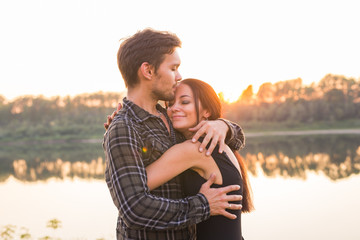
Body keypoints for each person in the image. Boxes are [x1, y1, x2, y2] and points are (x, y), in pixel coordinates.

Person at [103, 28, 245, 239]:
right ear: (148, 71)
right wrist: (203, 205)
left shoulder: (171, 121)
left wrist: (223, 125)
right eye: (173, 68)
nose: (179, 76)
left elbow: (236, 140)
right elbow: (133, 207)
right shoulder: (124, 127)